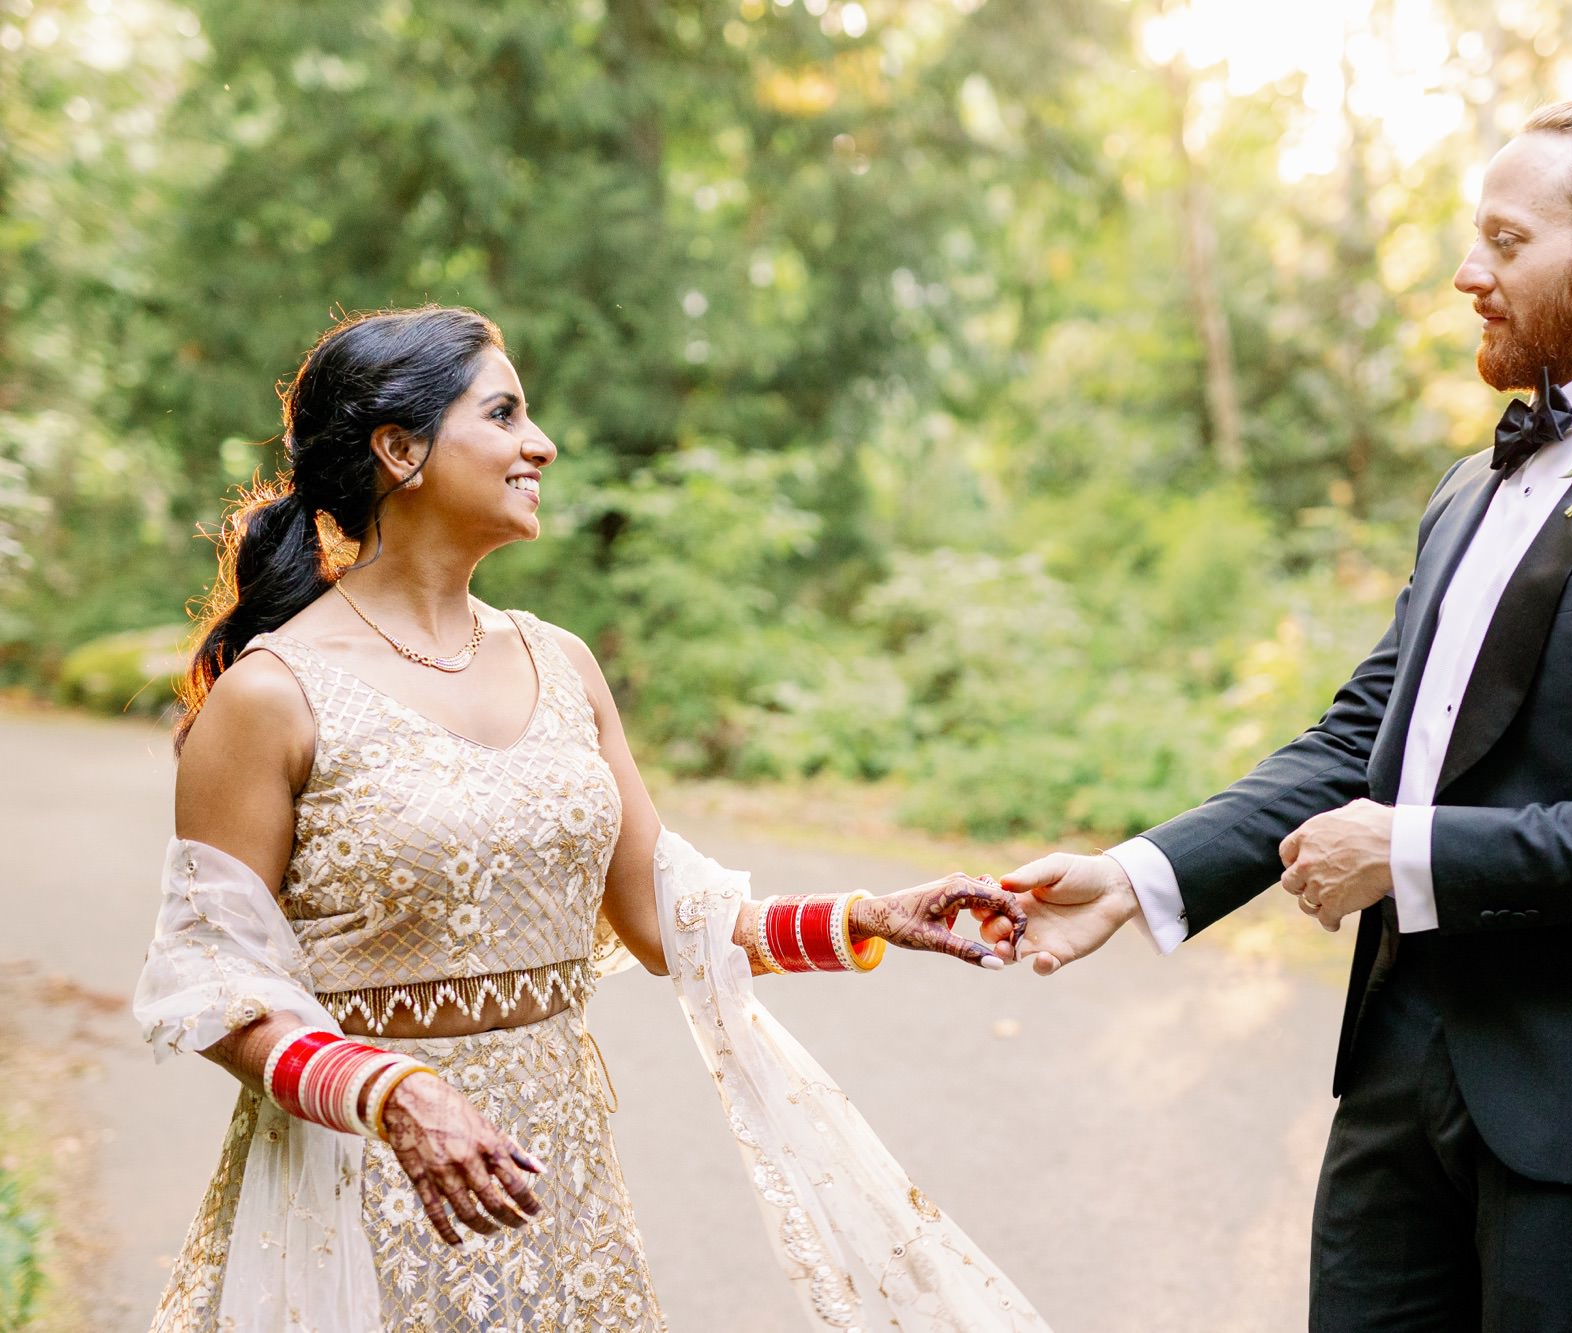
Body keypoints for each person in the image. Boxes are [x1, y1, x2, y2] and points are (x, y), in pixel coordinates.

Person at [989, 94, 1572, 1331]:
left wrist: (1400, 851)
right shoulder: (1464, 489)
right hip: (1398, 1072)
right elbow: (1362, 736)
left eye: (1504, 241)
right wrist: (1138, 876)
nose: (1464, 273)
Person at [135, 306, 1048, 1332]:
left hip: (557, 1194)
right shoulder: (272, 695)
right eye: (505, 412)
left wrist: (865, 916)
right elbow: (212, 984)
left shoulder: (560, 662)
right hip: (356, 1193)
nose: (542, 442)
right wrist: (393, 1093)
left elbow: (663, 913)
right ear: (399, 449)